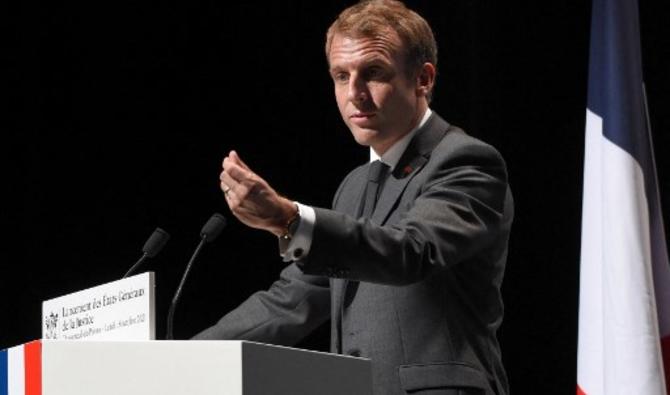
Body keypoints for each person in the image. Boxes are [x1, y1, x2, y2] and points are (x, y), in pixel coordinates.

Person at [193, 1, 513, 394]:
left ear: (423, 79)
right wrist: (181, 357)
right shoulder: (354, 185)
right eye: (341, 76)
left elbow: (410, 252)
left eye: (373, 73)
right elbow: (292, 300)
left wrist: (290, 220)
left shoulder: (466, 161)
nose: (354, 93)